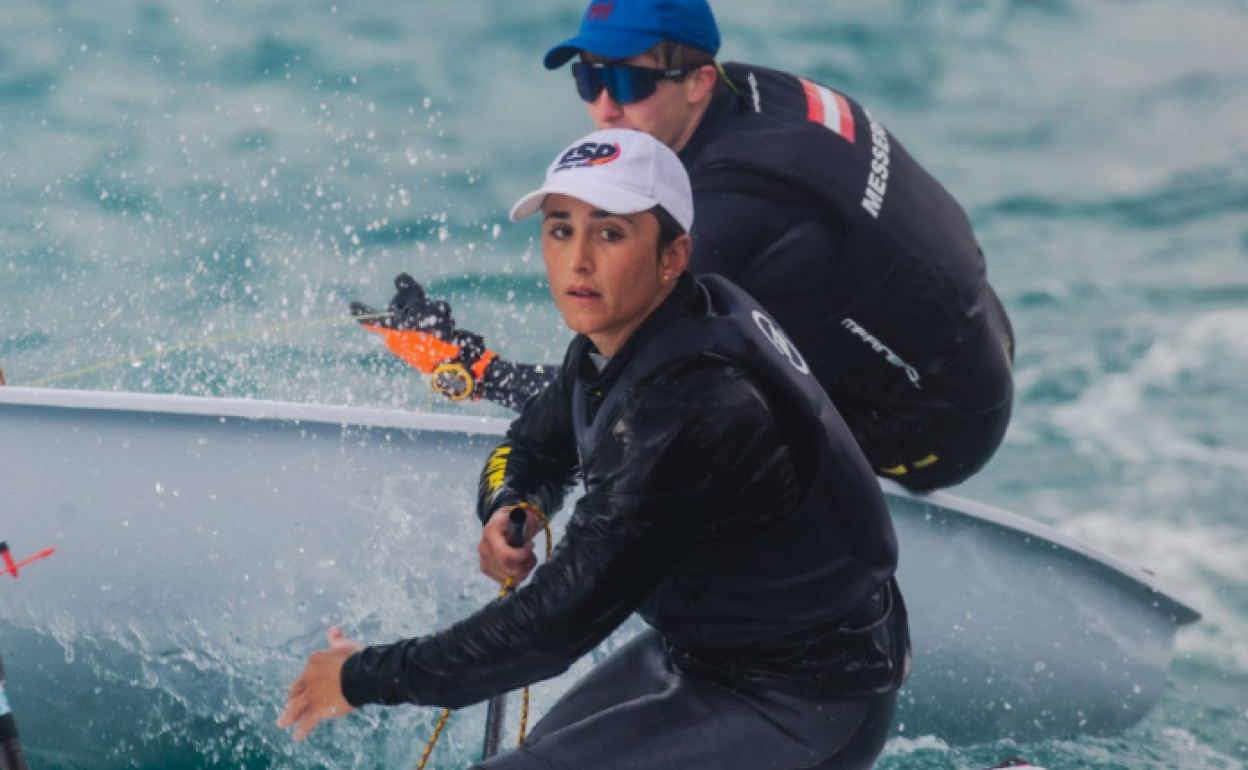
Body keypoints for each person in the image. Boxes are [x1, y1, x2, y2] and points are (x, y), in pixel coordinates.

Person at [284, 129, 909, 769]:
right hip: (699, 655)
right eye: (560, 231)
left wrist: (363, 677)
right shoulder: (622, 337)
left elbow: (552, 630)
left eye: (609, 233)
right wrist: (511, 505)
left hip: (805, 701)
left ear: (673, 255)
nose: (577, 260)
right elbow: (533, 442)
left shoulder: (689, 411)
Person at [351, 0, 1016, 492]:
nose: (606, 107)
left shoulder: (737, 209)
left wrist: (474, 368)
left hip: (932, 425)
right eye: (590, 80)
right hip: (970, 333)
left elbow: (608, 388)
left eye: (631, 83)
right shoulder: (749, 94)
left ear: (697, 80)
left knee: (654, 413)